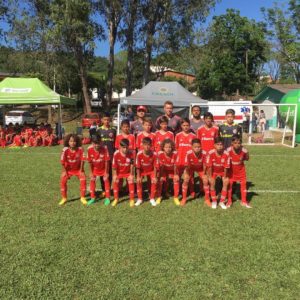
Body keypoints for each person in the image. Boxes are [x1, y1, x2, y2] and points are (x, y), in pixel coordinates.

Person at [59, 134, 87, 206]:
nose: (72, 143)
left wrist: (81, 171)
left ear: (77, 142)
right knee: (63, 180)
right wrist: (65, 172)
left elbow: (82, 160)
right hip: (68, 170)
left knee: (83, 179)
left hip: (78, 169)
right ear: (68, 142)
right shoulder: (65, 150)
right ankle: (64, 198)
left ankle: (82, 197)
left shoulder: (80, 149)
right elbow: (62, 162)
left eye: (74, 141)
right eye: (71, 141)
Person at [181, 138, 210, 207]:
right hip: (190, 168)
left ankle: (207, 199)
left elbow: (205, 165)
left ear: (201, 146)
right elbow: (186, 166)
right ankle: (184, 198)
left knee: (205, 180)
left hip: (200, 169)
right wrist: (186, 174)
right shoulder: (188, 153)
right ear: (192, 147)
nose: (197, 148)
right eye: (195, 147)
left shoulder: (204, 153)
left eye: (199, 147)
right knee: (186, 179)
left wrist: (205, 174)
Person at [226, 135, 251, 208]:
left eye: (239, 143)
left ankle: (243, 201)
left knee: (243, 185)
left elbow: (247, 158)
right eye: (235, 143)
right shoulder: (228, 150)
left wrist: (247, 153)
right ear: (232, 143)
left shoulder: (244, 150)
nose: (237, 144)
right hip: (231, 171)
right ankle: (229, 201)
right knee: (229, 185)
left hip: (241, 171)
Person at [87, 135, 111, 206]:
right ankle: (92, 198)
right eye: (95, 143)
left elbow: (107, 161)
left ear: (101, 142)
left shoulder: (104, 149)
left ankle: (107, 198)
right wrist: (91, 172)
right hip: (95, 169)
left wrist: (106, 172)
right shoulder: (89, 150)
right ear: (92, 143)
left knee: (106, 180)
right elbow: (90, 162)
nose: (97, 145)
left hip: (103, 169)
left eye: (98, 143)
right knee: (92, 180)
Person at [206, 137, 230, 209]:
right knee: (212, 183)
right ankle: (214, 201)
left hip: (223, 171)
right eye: (218, 144)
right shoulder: (210, 153)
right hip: (214, 171)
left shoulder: (226, 154)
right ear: (214, 145)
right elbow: (209, 167)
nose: (219, 146)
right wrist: (210, 177)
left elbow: (226, 167)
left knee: (226, 182)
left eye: (221, 144)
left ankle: (221, 202)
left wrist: (225, 177)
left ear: (223, 146)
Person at [111, 139, 135, 207]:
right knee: (115, 181)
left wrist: (131, 174)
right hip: (119, 173)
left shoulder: (131, 153)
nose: (125, 149)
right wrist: (115, 175)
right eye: (123, 147)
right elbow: (114, 166)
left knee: (131, 180)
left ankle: (132, 199)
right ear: (120, 147)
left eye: (126, 147)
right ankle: (116, 199)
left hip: (127, 172)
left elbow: (132, 165)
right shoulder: (116, 153)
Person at [156, 139, 180, 206]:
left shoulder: (175, 154)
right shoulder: (160, 154)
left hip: (173, 170)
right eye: (166, 147)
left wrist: (176, 174)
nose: (168, 149)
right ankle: (159, 197)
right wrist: (161, 176)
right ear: (163, 147)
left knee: (176, 180)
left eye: (169, 147)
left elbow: (176, 166)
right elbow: (161, 167)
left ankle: (176, 197)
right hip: (164, 170)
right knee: (160, 180)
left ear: (172, 147)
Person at [135, 137, 158, 207]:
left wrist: (155, 176)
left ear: (151, 145)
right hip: (142, 171)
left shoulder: (154, 154)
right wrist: (138, 177)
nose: (147, 146)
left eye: (148, 145)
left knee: (153, 181)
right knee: (138, 181)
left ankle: (152, 198)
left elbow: (155, 167)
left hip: (151, 171)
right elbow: (138, 167)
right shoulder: (139, 154)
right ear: (142, 145)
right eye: (145, 144)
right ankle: (140, 199)